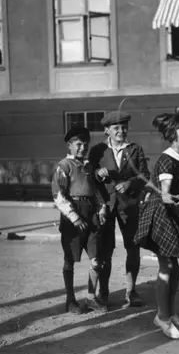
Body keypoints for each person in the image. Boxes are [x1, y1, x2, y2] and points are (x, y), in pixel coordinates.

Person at [134, 113, 179, 339]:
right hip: (161, 216)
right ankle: (162, 317)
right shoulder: (167, 160)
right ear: (173, 135)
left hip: (176, 214)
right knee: (167, 266)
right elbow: (166, 193)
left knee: (177, 265)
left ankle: (169, 312)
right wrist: (168, 197)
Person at [89, 111, 150, 307]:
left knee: (133, 248)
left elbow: (144, 175)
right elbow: (90, 176)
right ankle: (103, 293)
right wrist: (98, 173)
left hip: (129, 205)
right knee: (105, 250)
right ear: (107, 130)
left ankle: (131, 292)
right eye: (116, 128)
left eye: (124, 127)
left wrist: (130, 184)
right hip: (105, 206)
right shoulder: (98, 150)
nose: (121, 131)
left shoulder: (135, 149)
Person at [52, 127, 109, 314]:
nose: (83, 148)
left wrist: (101, 207)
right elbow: (58, 195)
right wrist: (74, 217)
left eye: (85, 144)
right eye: (78, 144)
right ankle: (70, 300)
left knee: (96, 260)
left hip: (91, 215)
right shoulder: (64, 166)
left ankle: (91, 298)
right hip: (73, 217)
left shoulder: (88, 166)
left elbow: (95, 190)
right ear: (69, 145)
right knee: (69, 259)